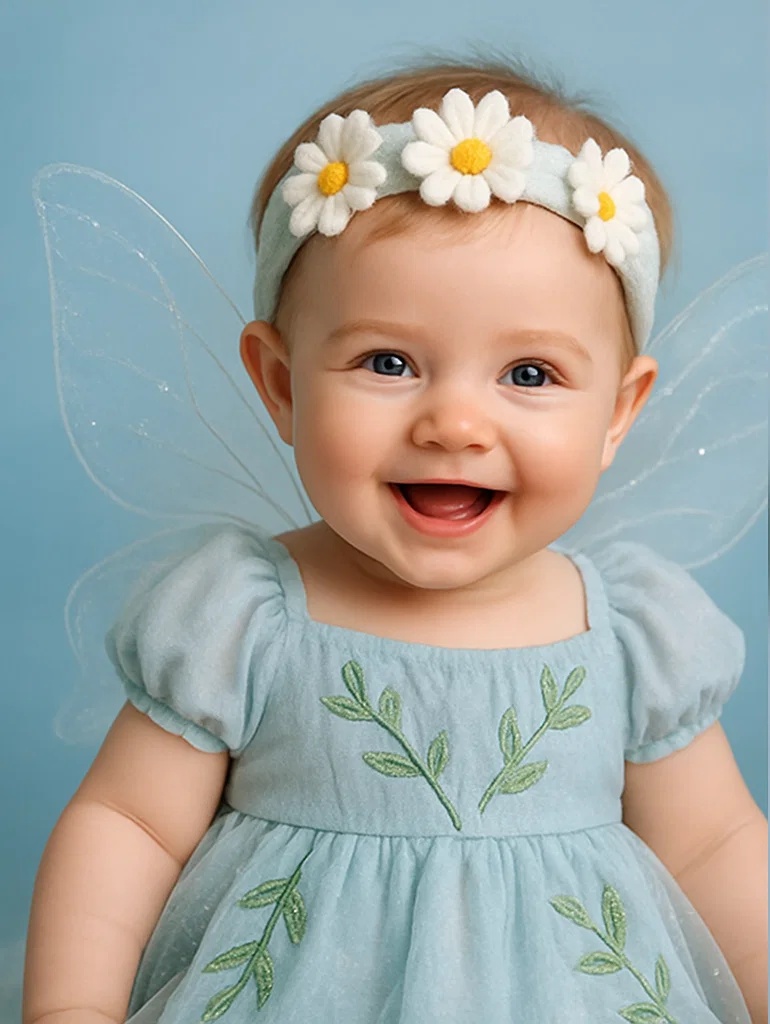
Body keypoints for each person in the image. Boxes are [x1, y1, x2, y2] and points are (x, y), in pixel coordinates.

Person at [23, 58, 768, 1023]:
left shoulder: (629, 630)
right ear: (282, 385)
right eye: (390, 361)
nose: (455, 423)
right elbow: (127, 824)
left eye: (531, 374)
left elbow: (714, 845)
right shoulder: (243, 615)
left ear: (619, 413)